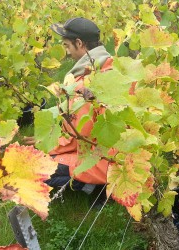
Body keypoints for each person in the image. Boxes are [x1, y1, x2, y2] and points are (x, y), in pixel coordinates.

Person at [25, 17, 113, 205]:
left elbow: (78, 137)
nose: (66, 52)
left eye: (67, 46)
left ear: (79, 43)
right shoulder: (109, 66)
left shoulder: (86, 86)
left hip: (102, 159)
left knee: (38, 167)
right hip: (116, 154)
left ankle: (98, 188)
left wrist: (46, 144)